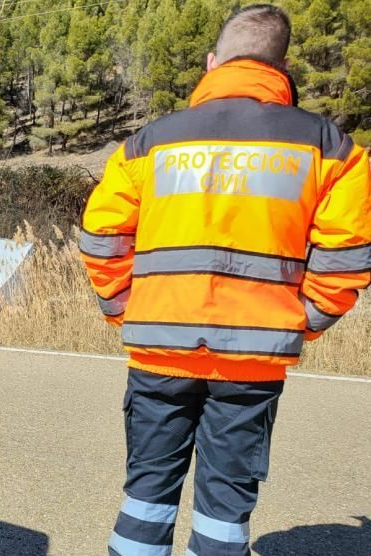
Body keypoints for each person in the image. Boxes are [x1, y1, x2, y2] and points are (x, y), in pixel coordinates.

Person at [79, 5, 371, 556]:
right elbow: (347, 256)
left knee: (146, 493)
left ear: (214, 62)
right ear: (282, 67)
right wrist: (297, 323)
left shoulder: (151, 141)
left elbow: (101, 235)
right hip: (253, 359)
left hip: (158, 349)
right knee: (226, 503)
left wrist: (124, 308)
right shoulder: (331, 148)